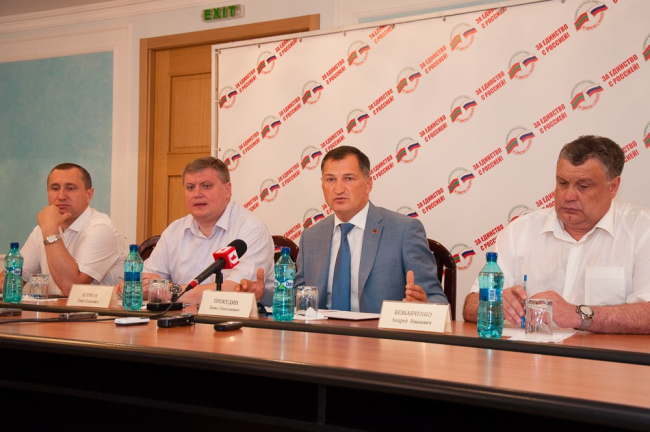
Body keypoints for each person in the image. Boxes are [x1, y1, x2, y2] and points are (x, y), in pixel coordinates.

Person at [463, 135, 650, 333]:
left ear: (613, 187)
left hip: (605, 352)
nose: (569, 196)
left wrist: (578, 315)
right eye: (562, 183)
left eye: (583, 186)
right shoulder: (520, 230)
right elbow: (470, 306)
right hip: (530, 351)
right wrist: (498, 303)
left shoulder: (642, 230)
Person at [244, 145, 448, 313]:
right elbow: (300, 299)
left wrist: (425, 307)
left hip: (381, 342)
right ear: (322, 185)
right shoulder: (312, 236)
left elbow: (437, 300)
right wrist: (264, 295)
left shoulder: (403, 230)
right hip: (321, 341)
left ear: (368, 184)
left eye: (349, 179)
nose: (338, 189)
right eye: (330, 179)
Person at [138, 156, 275, 305]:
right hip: (179, 317)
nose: (197, 194)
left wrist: (170, 290)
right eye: (190, 187)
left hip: (235, 319)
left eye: (206, 186)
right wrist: (137, 287)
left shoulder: (252, 229)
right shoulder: (174, 230)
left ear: (228, 190)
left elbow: (236, 291)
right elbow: (145, 283)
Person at [2, 163, 127, 296]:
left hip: (100, 310)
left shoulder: (101, 228)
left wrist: (50, 230)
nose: (61, 196)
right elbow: (12, 279)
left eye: (70, 188)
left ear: (89, 195)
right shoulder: (42, 229)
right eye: (55, 188)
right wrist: (5, 282)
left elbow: (71, 288)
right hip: (53, 309)